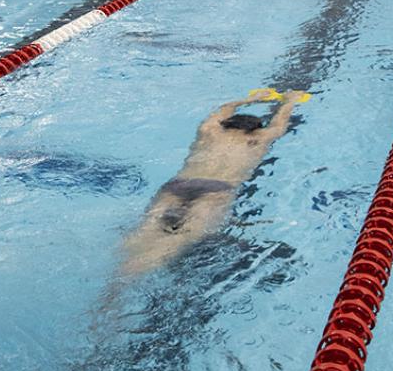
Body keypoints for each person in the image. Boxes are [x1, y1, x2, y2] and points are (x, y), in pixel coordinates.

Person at [118, 88, 309, 277]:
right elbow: (279, 124)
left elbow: (225, 107)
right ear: (255, 129)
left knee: (143, 232)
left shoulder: (209, 131)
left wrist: (249, 100)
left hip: (179, 184)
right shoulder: (258, 139)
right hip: (217, 191)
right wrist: (290, 100)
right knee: (183, 238)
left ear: (226, 124)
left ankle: (121, 276)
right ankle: (140, 270)